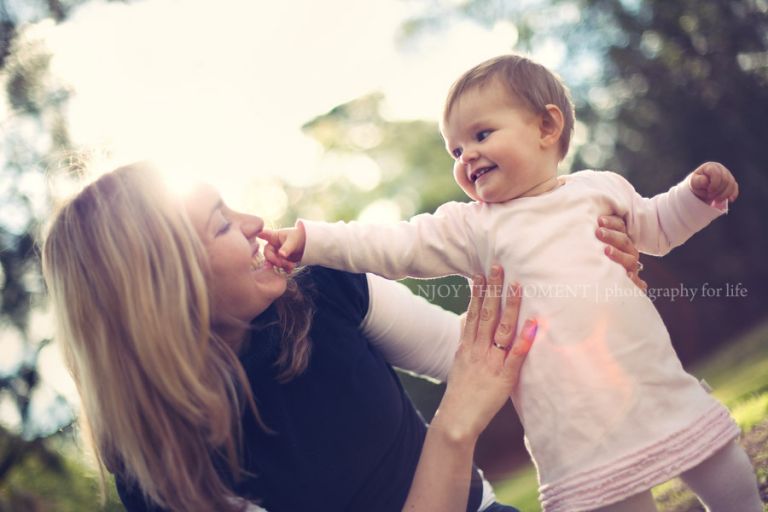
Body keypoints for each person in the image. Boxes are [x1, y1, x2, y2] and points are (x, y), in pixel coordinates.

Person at [264, 55, 762, 512]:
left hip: (651, 384)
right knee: (611, 500)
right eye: (455, 149)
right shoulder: (473, 225)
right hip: (575, 429)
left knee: (717, 458)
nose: (466, 157)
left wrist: (696, 197)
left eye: (481, 135)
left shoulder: (599, 189)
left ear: (547, 126)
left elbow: (657, 228)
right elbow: (396, 243)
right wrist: (310, 240)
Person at [41, 162, 641, 512]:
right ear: (165, 289)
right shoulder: (158, 475)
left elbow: (489, 352)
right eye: (222, 225)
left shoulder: (324, 288)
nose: (254, 224)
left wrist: (588, 282)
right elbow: (467, 396)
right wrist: (455, 428)